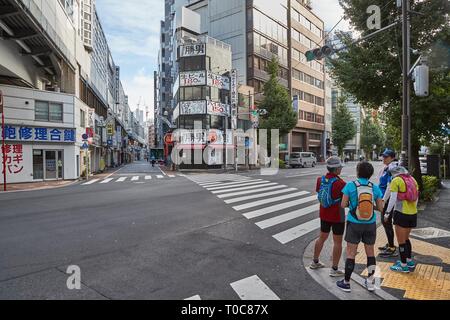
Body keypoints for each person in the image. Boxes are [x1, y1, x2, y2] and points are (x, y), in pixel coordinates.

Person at [336, 161, 384, 292]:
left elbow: (342, 204)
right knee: (370, 253)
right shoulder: (375, 187)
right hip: (370, 223)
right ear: (371, 174)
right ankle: (370, 282)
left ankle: (346, 283)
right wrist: (369, 208)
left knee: (351, 253)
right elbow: (380, 207)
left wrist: (355, 206)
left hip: (354, 222)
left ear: (358, 172)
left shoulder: (350, 186)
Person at [310, 156, 347, 277]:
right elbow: (345, 202)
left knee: (321, 237)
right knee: (337, 242)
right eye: (340, 168)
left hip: (324, 213)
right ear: (336, 170)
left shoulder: (320, 179)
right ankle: (334, 269)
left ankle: (315, 262)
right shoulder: (341, 183)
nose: (341, 169)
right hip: (338, 216)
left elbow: (320, 193)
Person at [386, 166, 419, 273]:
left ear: (394, 173)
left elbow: (393, 198)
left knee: (401, 242)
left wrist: (387, 213)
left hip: (401, 213)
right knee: (406, 238)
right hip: (413, 213)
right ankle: (409, 261)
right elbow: (416, 197)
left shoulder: (396, 180)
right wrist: (413, 209)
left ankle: (403, 266)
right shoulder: (413, 179)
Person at [377, 149, 399, 257]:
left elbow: (390, 187)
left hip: (387, 199)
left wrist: (383, 201)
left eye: (386, 157)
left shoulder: (392, 168)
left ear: (392, 158)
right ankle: (390, 244)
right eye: (383, 156)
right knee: (386, 222)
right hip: (385, 198)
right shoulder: (387, 167)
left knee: (386, 222)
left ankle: (391, 247)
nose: (383, 158)